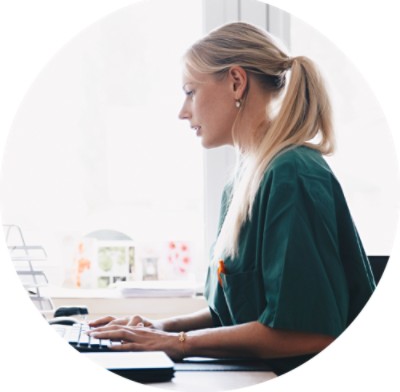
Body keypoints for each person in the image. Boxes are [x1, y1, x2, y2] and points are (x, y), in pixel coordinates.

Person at [87, 22, 376, 375]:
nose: (183, 111)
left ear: (237, 82)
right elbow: (232, 312)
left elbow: (310, 332)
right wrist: (161, 328)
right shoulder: (241, 182)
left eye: (190, 92)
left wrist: (180, 344)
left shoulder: (292, 173)